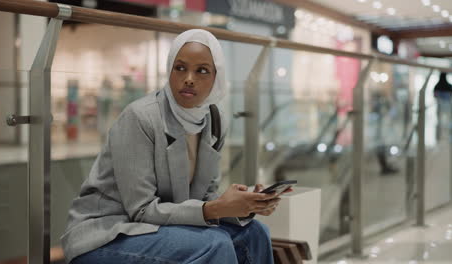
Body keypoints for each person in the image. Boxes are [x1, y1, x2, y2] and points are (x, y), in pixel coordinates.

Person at [61, 29, 286, 264]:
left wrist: (244, 205)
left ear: (216, 77)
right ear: (169, 69)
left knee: (256, 234)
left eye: (202, 70)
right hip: (109, 234)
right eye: (180, 68)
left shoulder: (214, 121)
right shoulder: (141, 117)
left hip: (162, 229)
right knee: (213, 245)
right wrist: (216, 208)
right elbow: (141, 210)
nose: (189, 78)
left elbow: (205, 196)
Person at [433, 72, 452, 140]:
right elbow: (451, 95)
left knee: (439, 121)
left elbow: (434, 95)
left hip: (440, 106)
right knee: (448, 121)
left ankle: (440, 135)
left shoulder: (437, 85)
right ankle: (447, 134)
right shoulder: (449, 86)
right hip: (448, 106)